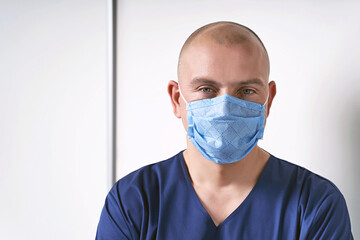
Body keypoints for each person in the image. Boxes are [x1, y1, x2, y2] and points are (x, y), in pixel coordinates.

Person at [96, 21, 353, 239]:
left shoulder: (314, 204)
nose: (224, 108)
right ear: (177, 99)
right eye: (207, 89)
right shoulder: (134, 201)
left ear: (268, 101)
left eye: (246, 91)